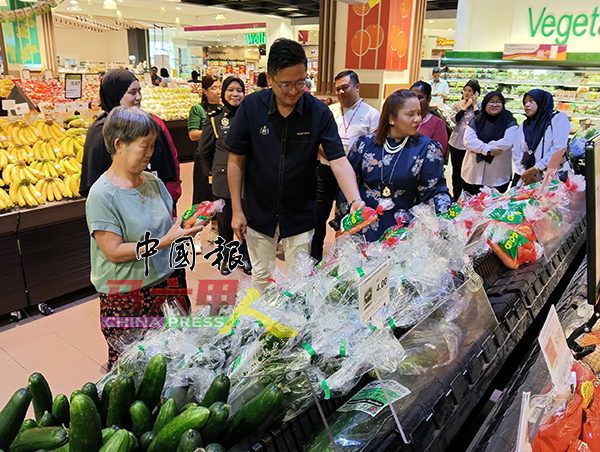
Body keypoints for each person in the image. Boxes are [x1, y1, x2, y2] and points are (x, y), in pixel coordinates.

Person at [225, 38, 365, 291]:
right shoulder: (251, 108)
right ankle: (264, 325)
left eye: (301, 82)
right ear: (269, 79)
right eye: (285, 84)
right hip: (259, 210)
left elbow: (338, 159)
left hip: (300, 212)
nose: (293, 90)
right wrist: (237, 209)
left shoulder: (319, 112)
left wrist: (355, 200)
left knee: (300, 282)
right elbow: (235, 159)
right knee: (261, 278)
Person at [85, 106, 205, 370]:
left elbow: (167, 224)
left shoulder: (153, 182)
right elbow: (113, 251)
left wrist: (186, 223)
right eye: (144, 146)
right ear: (119, 144)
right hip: (128, 295)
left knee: (177, 360)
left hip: (169, 283)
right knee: (137, 371)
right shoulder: (102, 195)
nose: (150, 153)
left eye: (152, 145)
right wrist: (163, 242)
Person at [337, 90, 451, 242]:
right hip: (363, 227)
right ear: (391, 118)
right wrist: (342, 222)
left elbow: (435, 191)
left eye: (419, 113)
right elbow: (348, 185)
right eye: (410, 115)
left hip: (403, 232)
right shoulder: (364, 145)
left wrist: (447, 216)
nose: (418, 119)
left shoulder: (428, 149)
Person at [80, 69, 181, 211]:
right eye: (132, 93)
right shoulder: (100, 132)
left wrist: (169, 198)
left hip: (156, 203)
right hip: (120, 211)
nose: (139, 97)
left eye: (139, 91)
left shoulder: (151, 123)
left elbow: (172, 163)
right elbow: (94, 177)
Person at [310, 70, 380, 261]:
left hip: (354, 176)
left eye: (345, 88)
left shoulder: (372, 114)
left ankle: (341, 259)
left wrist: (348, 164)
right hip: (326, 171)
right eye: (337, 89)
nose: (340, 93)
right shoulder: (328, 111)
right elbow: (317, 141)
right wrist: (335, 159)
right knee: (318, 217)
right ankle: (314, 259)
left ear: (357, 87)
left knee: (347, 218)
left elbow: (374, 149)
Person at [200, 76, 252, 276]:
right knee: (224, 222)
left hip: (248, 179)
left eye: (239, 90)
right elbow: (204, 152)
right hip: (222, 181)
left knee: (247, 220)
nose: (235, 94)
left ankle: (246, 256)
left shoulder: (250, 117)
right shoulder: (215, 119)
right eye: (230, 90)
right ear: (223, 93)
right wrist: (215, 170)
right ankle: (227, 258)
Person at [189, 75, 222, 251]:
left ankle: (214, 231)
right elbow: (193, 134)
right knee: (201, 198)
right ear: (204, 91)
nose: (218, 91)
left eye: (219, 88)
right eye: (214, 88)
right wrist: (214, 132)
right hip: (203, 157)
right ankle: (194, 236)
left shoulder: (224, 109)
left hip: (218, 159)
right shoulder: (198, 109)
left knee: (216, 196)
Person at [462, 91, 518, 195]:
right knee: (471, 205)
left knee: (494, 205)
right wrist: (487, 150)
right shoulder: (477, 119)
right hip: (473, 175)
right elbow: (468, 140)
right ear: (485, 103)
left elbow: (509, 141)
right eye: (491, 101)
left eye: (498, 102)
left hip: (497, 176)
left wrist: (479, 148)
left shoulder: (509, 121)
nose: (495, 104)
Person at [513, 89, 571, 186]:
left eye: (531, 101)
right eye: (525, 102)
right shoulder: (525, 125)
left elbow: (559, 147)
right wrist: (524, 174)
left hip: (552, 177)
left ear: (541, 101)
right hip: (529, 179)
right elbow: (517, 152)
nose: (527, 105)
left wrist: (536, 168)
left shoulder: (558, 119)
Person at [448, 79, 480, 200]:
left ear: (476, 93)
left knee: (469, 171)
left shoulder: (480, 106)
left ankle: (468, 197)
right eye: (465, 90)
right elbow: (455, 119)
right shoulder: (457, 105)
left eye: (470, 91)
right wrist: (466, 106)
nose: (466, 93)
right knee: (456, 172)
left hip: (472, 146)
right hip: (456, 143)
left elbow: (480, 122)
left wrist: (474, 105)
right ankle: (456, 197)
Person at [410, 81, 448, 152]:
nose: (415, 100)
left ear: (429, 99)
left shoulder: (437, 124)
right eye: (412, 97)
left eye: (420, 97)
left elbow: (438, 152)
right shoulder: (403, 119)